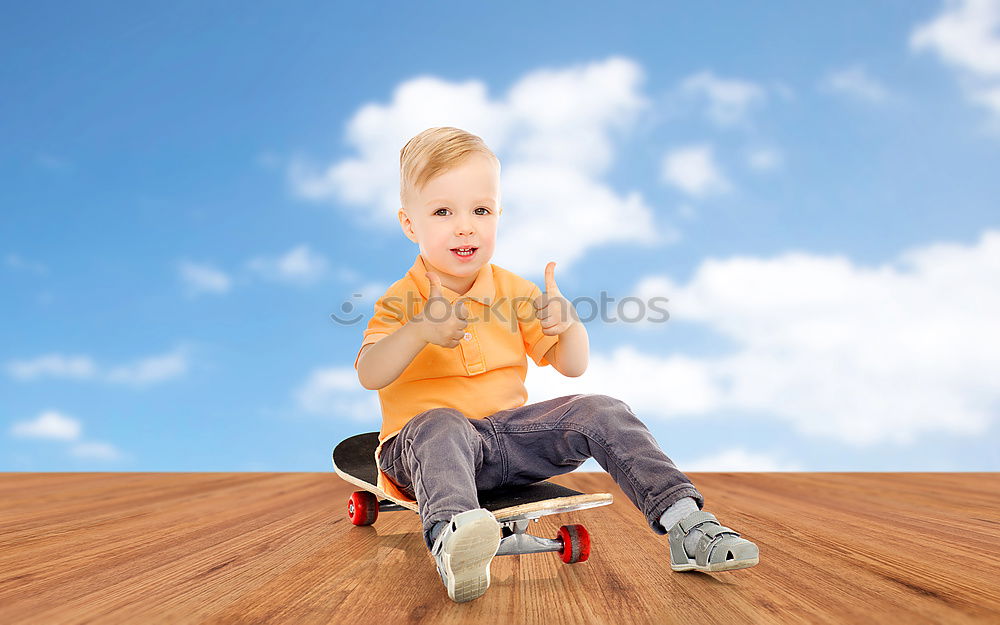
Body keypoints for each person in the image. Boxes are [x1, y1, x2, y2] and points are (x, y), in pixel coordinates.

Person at [354, 126, 759, 603]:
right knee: (442, 423)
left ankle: (687, 526)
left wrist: (569, 326)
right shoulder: (402, 301)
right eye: (443, 212)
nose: (465, 226)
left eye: (480, 210)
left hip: (506, 441)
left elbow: (573, 366)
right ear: (409, 223)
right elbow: (369, 373)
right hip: (423, 452)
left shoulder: (517, 292)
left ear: (498, 214)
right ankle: (453, 541)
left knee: (601, 408)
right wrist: (418, 330)